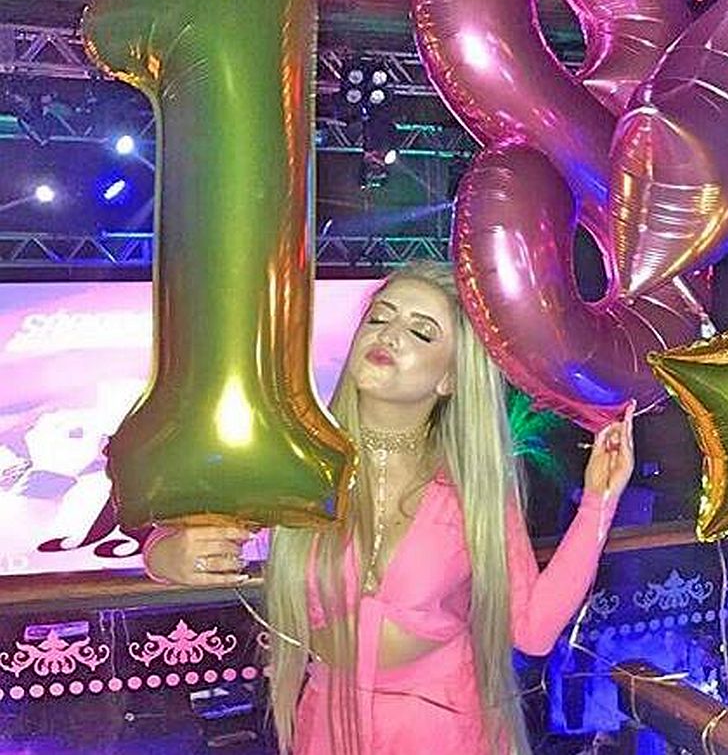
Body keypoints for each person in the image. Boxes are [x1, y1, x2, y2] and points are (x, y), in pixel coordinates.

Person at [142, 261, 635, 754]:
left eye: (421, 332)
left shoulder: (471, 487)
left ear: (450, 378)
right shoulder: (297, 466)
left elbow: (533, 630)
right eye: (379, 317)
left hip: (444, 726)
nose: (390, 334)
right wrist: (170, 556)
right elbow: (164, 541)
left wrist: (599, 501)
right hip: (329, 725)